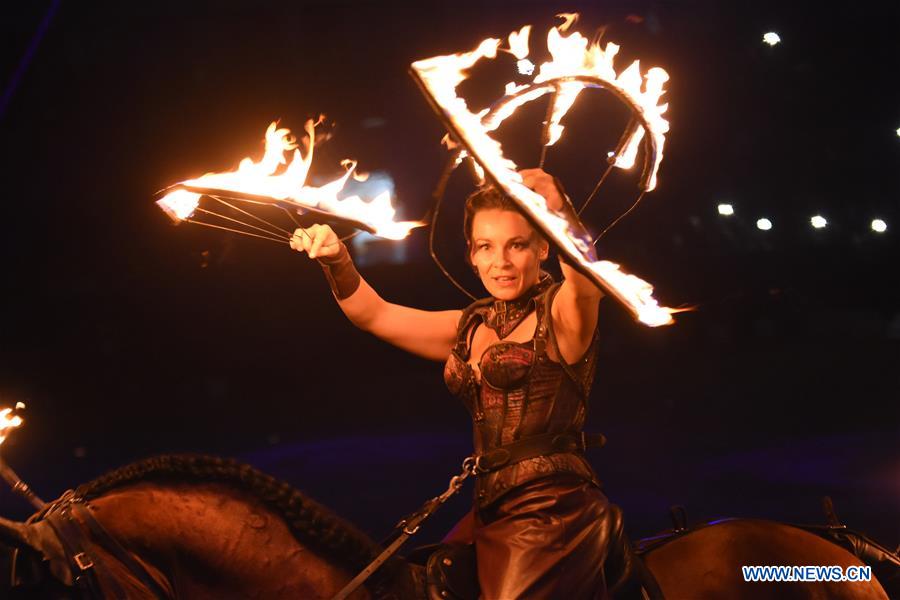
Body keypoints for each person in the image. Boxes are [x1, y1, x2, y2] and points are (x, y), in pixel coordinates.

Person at [290, 169, 630, 599]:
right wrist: (336, 258)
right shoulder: (468, 326)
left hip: (554, 509)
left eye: (517, 245)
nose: (500, 262)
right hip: (490, 506)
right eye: (486, 247)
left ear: (544, 246)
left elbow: (587, 281)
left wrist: (561, 211)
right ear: (471, 254)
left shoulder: (562, 314)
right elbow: (373, 314)